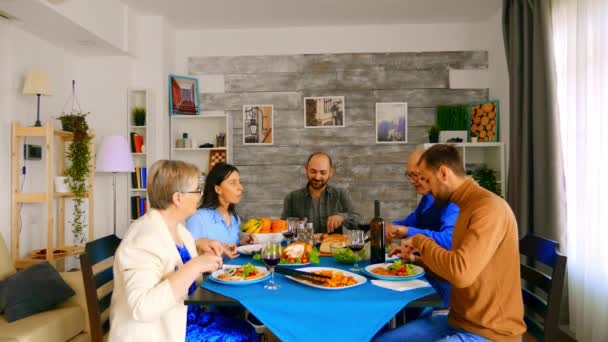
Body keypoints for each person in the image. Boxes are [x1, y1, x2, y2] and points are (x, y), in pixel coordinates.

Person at [376, 144, 525, 342]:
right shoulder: (465, 206)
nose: (426, 188)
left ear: (444, 173)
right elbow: (456, 264)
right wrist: (416, 261)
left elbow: (461, 274)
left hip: (491, 334)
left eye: (427, 180)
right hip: (458, 321)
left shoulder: (488, 209)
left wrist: (420, 241)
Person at [109, 160, 257, 342]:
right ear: (178, 198)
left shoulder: (177, 229)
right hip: (160, 331)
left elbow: (171, 258)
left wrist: (200, 244)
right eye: (197, 190)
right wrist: (195, 266)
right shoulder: (143, 240)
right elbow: (142, 308)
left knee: (244, 328)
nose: (200, 195)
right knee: (241, 334)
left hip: (184, 316)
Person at [385, 149, 459, 308]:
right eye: (409, 175)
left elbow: (449, 239)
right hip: (424, 274)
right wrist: (390, 226)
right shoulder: (428, 198)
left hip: (441, 288)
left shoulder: (453, 201)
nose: (413, 181)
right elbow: (411, 222)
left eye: (417, 175)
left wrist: (406, 232)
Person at [282, 151, 360, 234]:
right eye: (313, 171)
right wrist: (292, 226)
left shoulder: (341, 194)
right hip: (304, 245)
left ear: (331, 172)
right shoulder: (291, 198)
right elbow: (282, 227)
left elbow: (358, 221)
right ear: (306, 169)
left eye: (323, 172)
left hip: (334, 246)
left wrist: (342, 217)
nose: (317, 177)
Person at [186, 163, 250, 258]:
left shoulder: (234, 218)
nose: (240, 187)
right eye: (233, 183)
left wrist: (241, 244)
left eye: (239, 182)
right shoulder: (198, 218)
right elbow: (190, 255)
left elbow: (230, 250)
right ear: (218, 189)